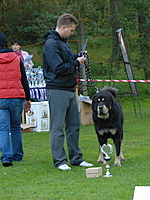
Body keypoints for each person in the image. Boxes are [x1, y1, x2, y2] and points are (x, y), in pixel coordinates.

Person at [43, 13, 93, 170]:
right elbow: (58, 67)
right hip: (57, 89)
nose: (72, 33)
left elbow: (66, 59)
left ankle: (76, 158)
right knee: (58, 127)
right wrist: (77, 64)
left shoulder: (63, 42)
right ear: (63, 27)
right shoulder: (51, 44)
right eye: (71, 30)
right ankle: (60, 160)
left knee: (73, 126)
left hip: (70, 89)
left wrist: (77, 56)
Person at [0, 32, 31, 167]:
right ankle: (18, 155)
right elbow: (24, 80)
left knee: (3, 128)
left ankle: (6, 157)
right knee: (15, 127)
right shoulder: (16, 58)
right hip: (16, 96)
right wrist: (28, 98)